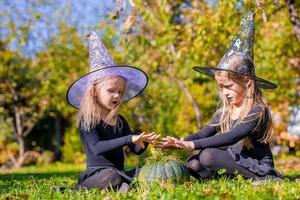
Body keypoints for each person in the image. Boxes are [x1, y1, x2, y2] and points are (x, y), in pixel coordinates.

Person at [158, 10, 282, 181]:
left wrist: (191, 145)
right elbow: (203, 134)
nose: (224, 92)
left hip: (257, 164)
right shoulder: (225, 112)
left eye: (229, 86)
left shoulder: (257, 110)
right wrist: (180, 142)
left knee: (208, 156)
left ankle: (264, 178)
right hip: (237, 160)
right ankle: (228, 178)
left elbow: (232, 137)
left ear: (247, 82)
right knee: (193, 162)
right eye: (221, 87)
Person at [65, 31, 159, 191]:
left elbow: (134, 150)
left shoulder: (120, 120)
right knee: (111, 176)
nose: (117, 95)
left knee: (145, 170)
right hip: (99, 174)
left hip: (119, 172)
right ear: (94, 91)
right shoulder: (88, 119)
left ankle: (122, 187)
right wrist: (129, 138)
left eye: (120, 92)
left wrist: (143, 142)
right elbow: (98, 147)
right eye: (111, 91)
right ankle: (75, 189)